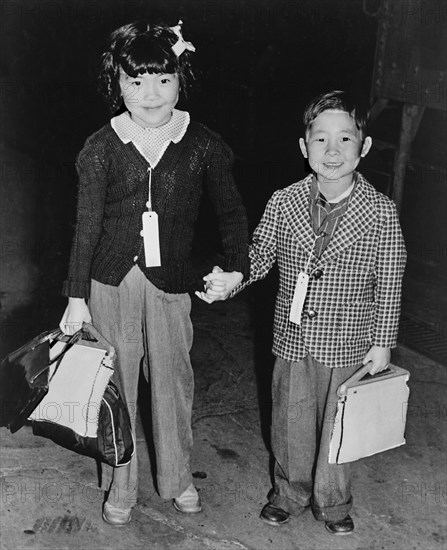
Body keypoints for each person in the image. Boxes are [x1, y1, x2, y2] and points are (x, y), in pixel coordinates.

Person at [59, 20, 249, 526]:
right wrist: (76, 295)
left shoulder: (203, 144)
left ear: (181, 80)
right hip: (109, 282)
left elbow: (230, 212)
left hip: (171, 284)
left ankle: (178, 477)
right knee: (115, 385)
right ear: (116, 83)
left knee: (173, 379)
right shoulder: (101, 146)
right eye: (135, 81)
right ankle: (121, 483)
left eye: (163, 80)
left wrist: (236, 267)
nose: (150, 93)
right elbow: (85, 226)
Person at [197, 90, 406, 535]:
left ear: (364, 147)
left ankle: (333, 503)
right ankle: (289, 492)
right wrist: (234, 278)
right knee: (290, 420)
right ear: (303, 147)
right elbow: (260, 254)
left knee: (338, 426)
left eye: (346, 140)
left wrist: (383, 342)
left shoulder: (382, 214)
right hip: (292, 337)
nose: (333, 151)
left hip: (349, 341)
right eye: (321, 140)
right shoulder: (284, 201)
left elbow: (389, 281)